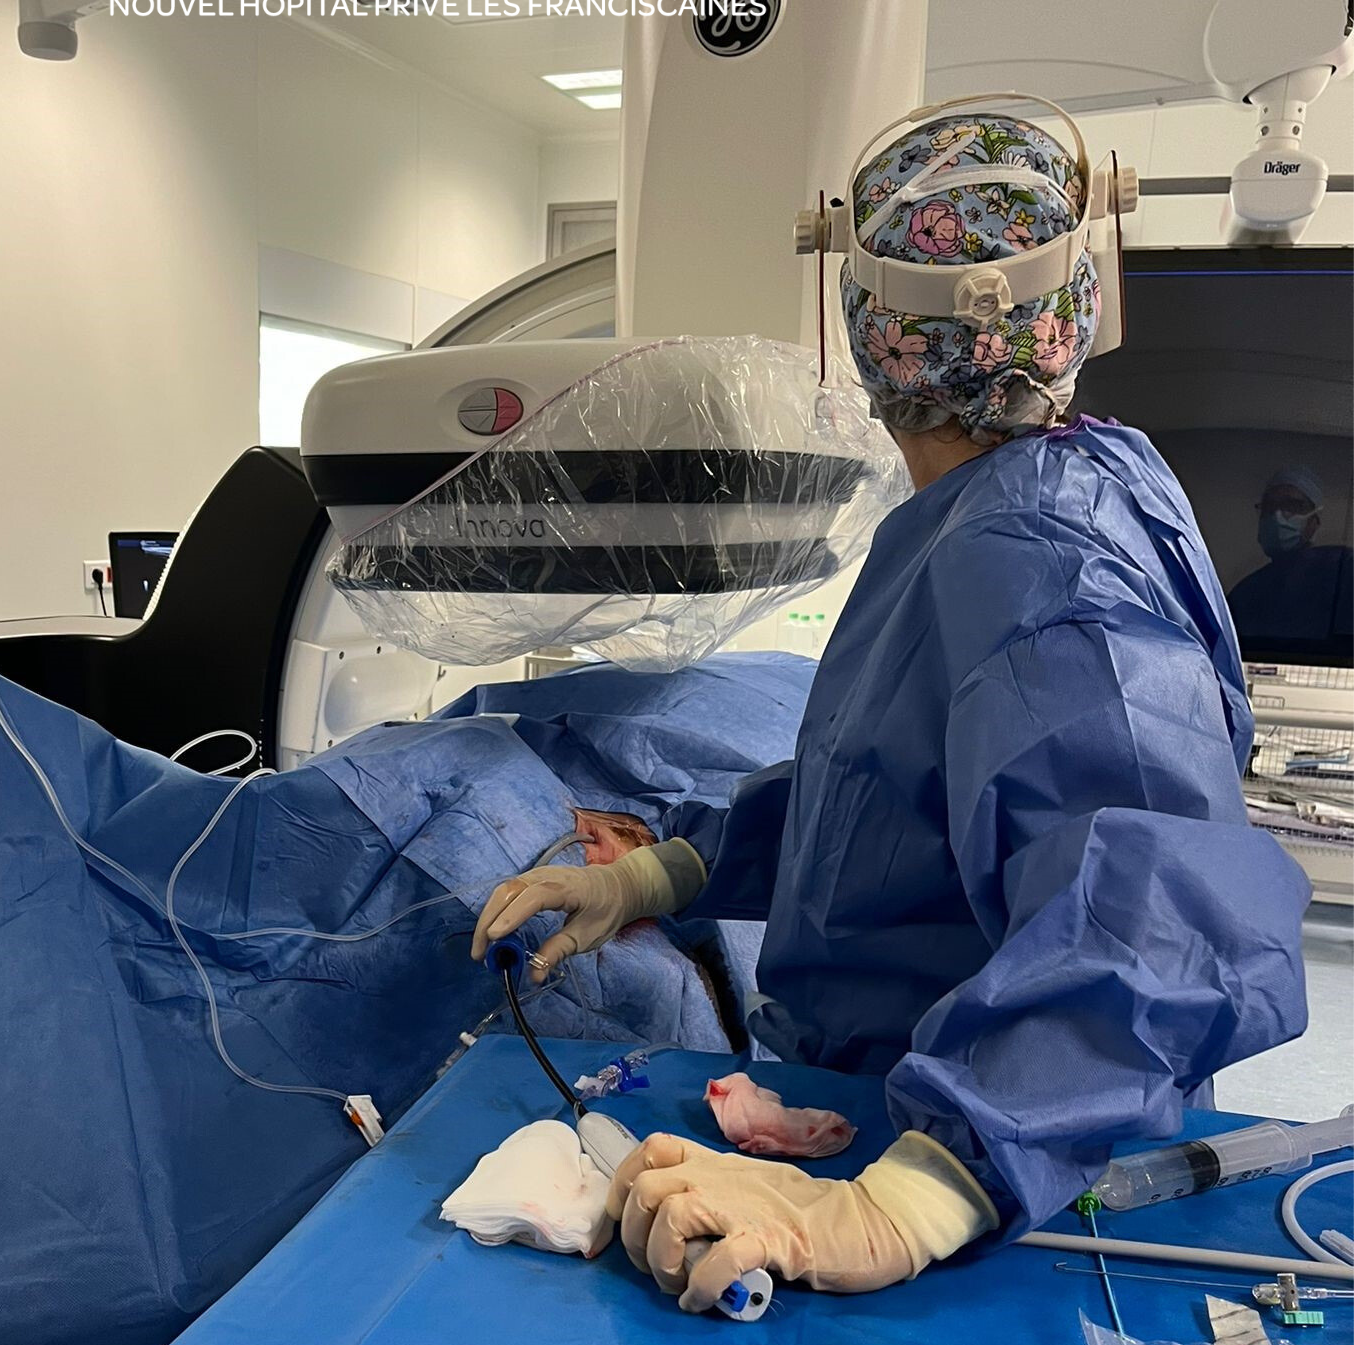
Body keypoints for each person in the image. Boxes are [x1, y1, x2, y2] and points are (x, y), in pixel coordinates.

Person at [473, 107, 1311, 1311]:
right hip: (912, 1108)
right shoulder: (1024, 501)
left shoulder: (1042, 561)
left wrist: (913, 1199)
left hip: (1006, 1154)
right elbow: (883, 793)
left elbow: (1156, 912)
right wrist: (664, 871)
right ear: (1087, 297)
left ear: (861, 330)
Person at [1227, 466, 1353, 648]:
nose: (1277, 515)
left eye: (1292, 506)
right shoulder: (1246, 593)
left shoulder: (1343, 572)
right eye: (1270, 506)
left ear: (1313, 523)